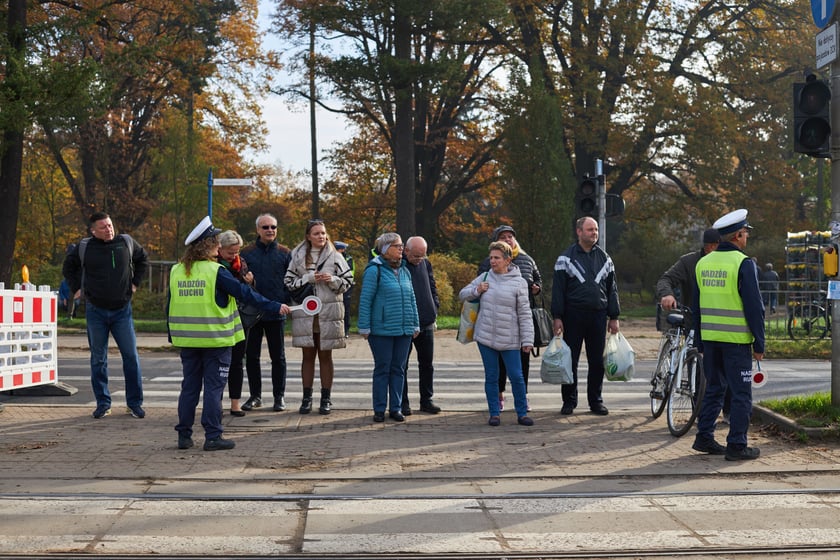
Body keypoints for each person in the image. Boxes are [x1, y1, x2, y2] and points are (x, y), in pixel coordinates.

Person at [169, 217, 290, 451]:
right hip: (215, 339)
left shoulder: (176, 270)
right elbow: (245, 293)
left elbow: (169, 306)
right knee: (214, 388)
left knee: (190, 387)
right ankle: (213, 436)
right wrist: (274, 306)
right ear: (208, 245)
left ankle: (184, 435)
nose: (218, 245)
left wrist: (172, 336)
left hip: (187, 340)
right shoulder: (215, 272)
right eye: (215, 241)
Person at [692, 209, 765, 461]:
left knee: (714, 388)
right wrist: (759, 341)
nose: (747, 237)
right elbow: (754, 307)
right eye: (746, 233)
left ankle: (704, 437)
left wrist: (699, 341)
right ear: (738, 235)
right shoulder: (744, 263)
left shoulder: (703, 263)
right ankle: (736, 445)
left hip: (711, 340)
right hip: (736, 342)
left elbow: (697, 305)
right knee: (741, 394)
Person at [62, 211, 149, 419]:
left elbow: (143, 260)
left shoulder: (126, 242)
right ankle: (103, 403)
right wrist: (76, 288)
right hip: (96, 311)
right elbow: (68, 267)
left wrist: (135, 283)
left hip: (122, 311)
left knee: (131, 357)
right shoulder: (84, 247)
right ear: (93, 231)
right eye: (103, 227)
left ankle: (134, 404)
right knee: (98, 359)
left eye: (110, 225)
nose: (109, 229)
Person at [656, 227, 731, 422]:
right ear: (707, 247)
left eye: (717, 246)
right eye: (710, 246)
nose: (713, 250)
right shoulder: (689, 262)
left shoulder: (730, 262)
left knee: (727, 368)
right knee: (699, 367)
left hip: (723, 325)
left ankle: (727, 411)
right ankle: (700, 414)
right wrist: (667, 294)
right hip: (695, 323)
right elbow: (666, 279)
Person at [551, 216, 620, 416]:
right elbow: (558, 290)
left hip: (598, 316)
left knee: (597, 361)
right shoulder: (565, 258)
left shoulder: (605, 258)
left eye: (596, 229)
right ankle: (569, 401)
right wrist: (557, 316)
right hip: (573, 315)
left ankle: (596, 401)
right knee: (569, 361)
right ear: (579, 232)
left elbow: (612, 289)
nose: (594, 233)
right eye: (590, 229)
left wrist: (614, 316)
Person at [461, 240, 534, 426]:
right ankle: (494, 413)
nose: (493, 261)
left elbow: (525, 314)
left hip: (510, 339)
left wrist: (527, 340)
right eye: (491, 257)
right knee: (491, 376)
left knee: (517, 376)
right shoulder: (485, 277)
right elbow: (463, 294)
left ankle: (522, 413)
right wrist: (477, 290)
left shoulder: (519, 282)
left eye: (497, 258)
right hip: (486, 337)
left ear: (508, 260)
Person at [284, 220, 354, 415]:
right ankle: (306, 399)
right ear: (308, 236)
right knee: (307, 356)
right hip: (305, 313)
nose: (321, 236)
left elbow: (348, 282)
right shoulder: (297, 256)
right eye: (316, 233)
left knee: (326, 355)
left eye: (323, 233)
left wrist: (332, 279)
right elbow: (288, 283)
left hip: (329, 313)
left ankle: (326, 399)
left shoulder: (335, 256)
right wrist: (307, 278)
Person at [478, 225, 542, 412]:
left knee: (521, 366)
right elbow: (477, 285)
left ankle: (522, 400)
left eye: (510, 236)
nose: (507, 239)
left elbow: (538, 278)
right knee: (497, 367)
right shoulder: (487, 263)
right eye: (503, 236)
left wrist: (537, 287)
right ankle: (498, 395)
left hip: (521, 320)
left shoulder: (526, 259)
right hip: (495, 322)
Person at [357, 232, 419, 423]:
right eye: (397, 246)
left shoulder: (405, 270)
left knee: (399, 369)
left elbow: (412, 299)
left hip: (404, 330)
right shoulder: (374, 270)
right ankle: (379, 408)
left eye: (401, 246)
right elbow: (365, 300)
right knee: (383, 368)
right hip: (381, 330)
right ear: (385, 250)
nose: (401, 249)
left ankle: (396, 408)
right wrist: (364, 326)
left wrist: (415, 323)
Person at [240, 213, 292, 412]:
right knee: (252, 356)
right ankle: (255, 396)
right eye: (265, 227)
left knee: (278, 357)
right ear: (257, 230)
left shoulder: (285, 252)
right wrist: (248, 283)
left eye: (273, 227)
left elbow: (290, 281)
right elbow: (239, 281)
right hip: (252, 314)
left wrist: (285, 300)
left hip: (276, 312)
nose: (270, 230)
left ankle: (279, 397)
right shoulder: (246, 253)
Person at [402, 236, 441, 415]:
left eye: (422, 256)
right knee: (402, 365)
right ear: (406, 251)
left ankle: (426, 400)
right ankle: (403, 402)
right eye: (416, 256)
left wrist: (435, 305)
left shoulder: (425, 264)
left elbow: (432, 286)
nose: (419, 260)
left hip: (426, 321)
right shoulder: (400, 266)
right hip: (406, 323)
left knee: (427, 364)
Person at [217, 230, 255, 417]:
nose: (234, 256)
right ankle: (216, 402)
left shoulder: (241, 264)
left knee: (237, 361)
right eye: (231, 252)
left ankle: (235, 403)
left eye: (237, 252)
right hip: (219, 319)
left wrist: (250, 281)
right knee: (217, 362)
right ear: (220, 249)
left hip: (240, 318)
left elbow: (247, 291)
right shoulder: (214, 266)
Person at [335, 241, 355, 337]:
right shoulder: (331, 258)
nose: (343, 250)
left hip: (347, 287)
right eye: (342, 249)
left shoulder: (348, 259)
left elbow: (351, 273)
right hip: (335, 288)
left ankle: (346, 330)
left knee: (346, 309)